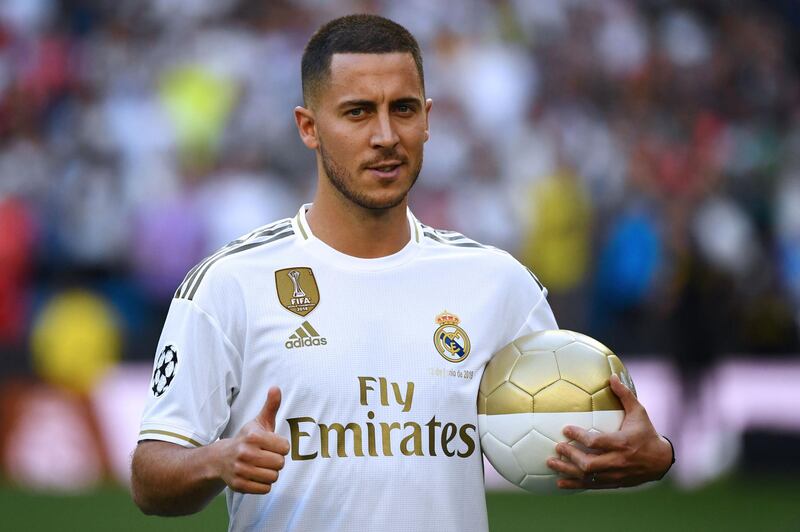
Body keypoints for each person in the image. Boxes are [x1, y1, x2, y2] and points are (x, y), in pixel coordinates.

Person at [131, 14, 674, 531]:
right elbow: (149, 475)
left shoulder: (496, 282)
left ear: (428, 119)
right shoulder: (231, 283)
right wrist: (219, 461)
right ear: (308, 127)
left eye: (405, 109)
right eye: (358, 111)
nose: (387, 135)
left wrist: (653, 457)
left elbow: (568, 440)